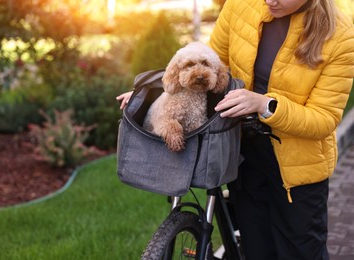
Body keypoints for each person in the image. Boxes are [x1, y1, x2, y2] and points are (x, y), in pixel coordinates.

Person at [117, 0, 354, 258]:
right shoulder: (242, 4)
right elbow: (212, 66)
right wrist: (152, 95)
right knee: (257, 248)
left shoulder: (341, 37)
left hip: (297, 170)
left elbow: (324, 119)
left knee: (299, 251)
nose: (270, 1)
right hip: (243, 153)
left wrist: (264, 104)